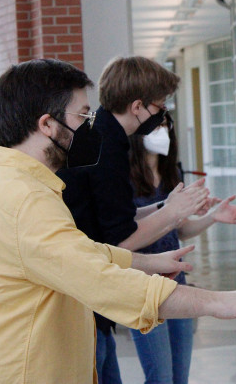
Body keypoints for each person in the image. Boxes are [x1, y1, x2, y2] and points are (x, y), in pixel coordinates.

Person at [0, 58, 236, 384]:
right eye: (82, 116)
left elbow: (79, 255)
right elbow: (103, 281)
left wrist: (145, 262)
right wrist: (220, 302)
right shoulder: (26, 201)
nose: (91, 126)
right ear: (47, 124)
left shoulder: (10, 184)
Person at [58, 56, 214, 384]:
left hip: (90, 300)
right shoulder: (105, 146)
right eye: (161, 106)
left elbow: (117, 216)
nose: (163, 114)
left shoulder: (102, 136)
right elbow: (119, 240)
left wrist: (169, 207)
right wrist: (172, 213)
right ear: (138, 106)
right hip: (82, 296)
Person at [128, 117, 236, 384]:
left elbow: (180, 229)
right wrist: (168, 212)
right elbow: (125, 233)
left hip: (176, 284)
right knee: (160, 377)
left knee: (179, 377)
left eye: (166, 127)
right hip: (143, 288)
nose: (163, 132)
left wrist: (213, 217)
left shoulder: (173, 173)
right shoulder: (123, 177)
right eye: (156, 126)